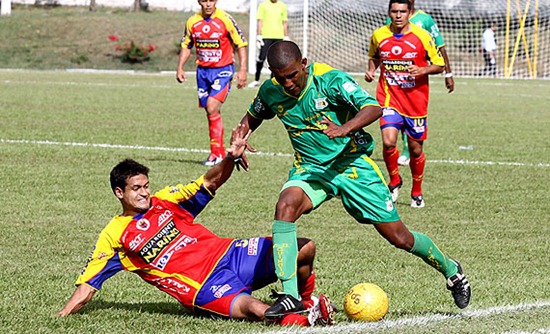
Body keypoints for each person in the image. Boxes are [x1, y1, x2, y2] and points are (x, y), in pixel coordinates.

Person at [234, 39, 471, 319]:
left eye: (292, 75)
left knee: (400, 237)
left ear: (304, 64)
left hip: (352, 166)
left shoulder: (331, 80)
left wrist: (344, 128)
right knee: (285, 206)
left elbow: (373, 108)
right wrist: (240, 136)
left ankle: (452, 271)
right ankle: (290, 295)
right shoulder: (272, 90)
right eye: (279, 77)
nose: (286, 83)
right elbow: (255, 114)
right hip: (311, 169)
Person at [56, 126, 334, 327]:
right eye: (136, 189)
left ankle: (305, 302)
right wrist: (60, 318)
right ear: (119, 193)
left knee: (303, 247)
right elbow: (88, 285)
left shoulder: (165, 201)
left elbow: (209, 183)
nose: (144, 193)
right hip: (204, 285)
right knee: (255, 309)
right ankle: (306, 321)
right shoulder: (114, 236)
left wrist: (231, 157)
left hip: (231, 254)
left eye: (146, 186)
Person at [365, 0, 444, 208]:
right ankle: (394, 181)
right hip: (389, 97)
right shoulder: (379, 35)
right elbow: (374, 56)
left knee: (415, 149)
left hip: (416, 101)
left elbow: (439, 64)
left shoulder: (422, 36)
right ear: (389, 12)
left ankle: (416, 191)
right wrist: (372, 70)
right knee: (389, 141)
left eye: (402, 11)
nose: (398, 15)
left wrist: (423, 70)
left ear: (410, 13)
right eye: (394, 11)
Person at [176, 0, 248, 167]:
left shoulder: (226, 19)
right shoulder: (192, 22)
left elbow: (241, 44)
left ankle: (217, 154)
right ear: (199, 1)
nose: (208, 4)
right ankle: (218, 152)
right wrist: (180, 67)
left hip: (223, 70)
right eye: (204, 0)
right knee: (210, 112)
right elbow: (186, 45)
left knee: (212, 107)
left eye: (211, 0)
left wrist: (242, 69)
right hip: (202, 72)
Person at [384, 0, 455, 166]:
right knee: (396, 115)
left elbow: (440, 46)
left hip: (417, 81)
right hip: (395, 80)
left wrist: (448, 73)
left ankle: (409, 150)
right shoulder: (392, 19)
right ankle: (404, 151)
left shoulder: (425, 19)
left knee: (411, 117)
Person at [247, 0, 289, 88]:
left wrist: (286, 36)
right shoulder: (263, 5)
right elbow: (260, 21)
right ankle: (256, 79)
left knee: (276, 60)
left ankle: (273, 80)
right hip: (266, 36)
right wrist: (259, 35)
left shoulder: (282, 6)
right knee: (261, 57)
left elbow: (284, 22)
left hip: (278, 36)